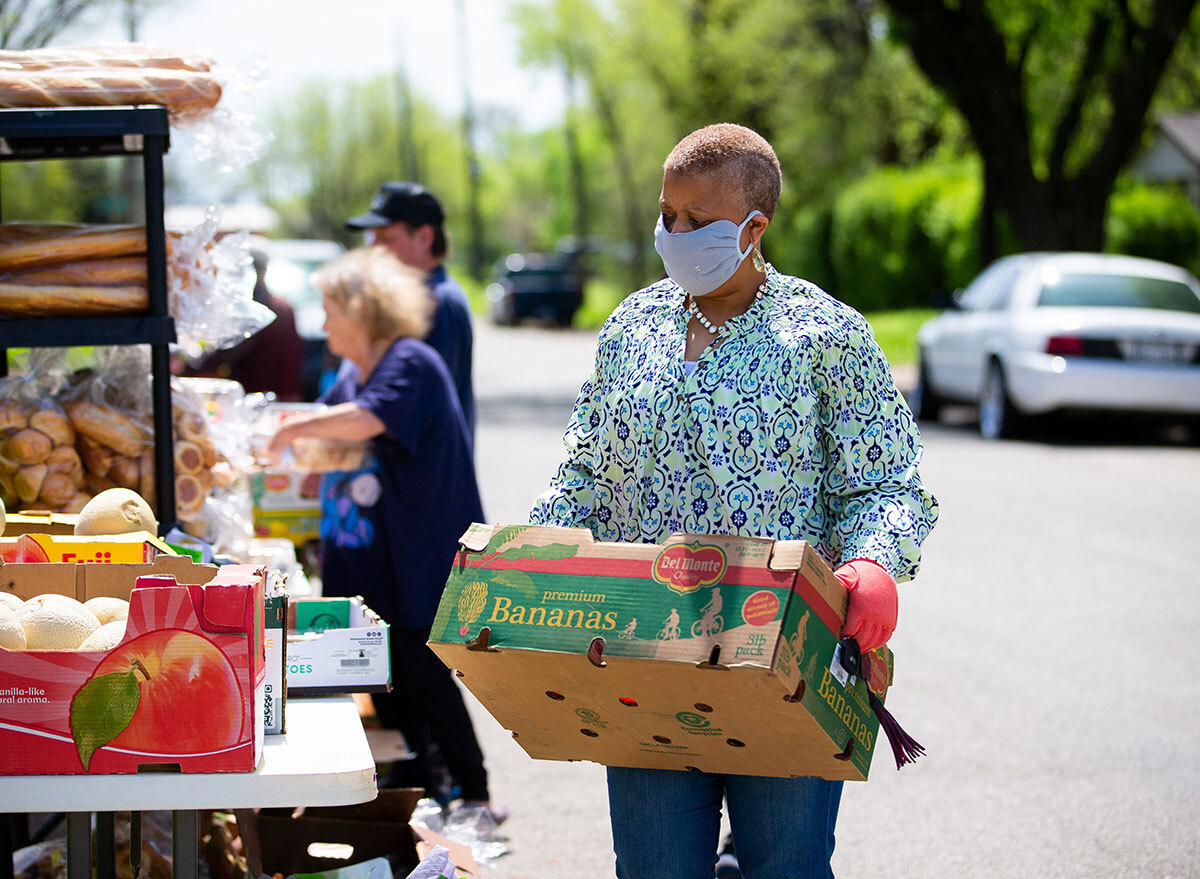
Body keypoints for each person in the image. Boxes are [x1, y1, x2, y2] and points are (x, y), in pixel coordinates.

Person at [529, 123, 939, 878]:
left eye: (697, 220)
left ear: (754, 227)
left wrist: (876, 560)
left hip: (781, 657)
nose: (674, 233)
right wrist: (535, 555)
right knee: (655, 868)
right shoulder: (631, 327)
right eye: (666, 215)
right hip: (645, 650)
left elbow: (885, 482)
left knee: (785, 866)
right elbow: (583, 470)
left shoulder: (825, 335)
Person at [267, 247, 499, 816]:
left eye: (328, 310)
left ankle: (473, 793)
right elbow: (330, 436)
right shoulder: (354, 372)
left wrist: (289, 431)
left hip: (415, 556)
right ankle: (418, 785)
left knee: (424, 672)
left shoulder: (410, 362)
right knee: (382, 673)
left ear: (361, 309)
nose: (322, 325)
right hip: (370, 561)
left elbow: (366, 419)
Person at [345, 181, 476, 440]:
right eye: (373, 238)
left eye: (387, 238)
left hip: (428, 476)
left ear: (424, 237)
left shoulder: (439, 301)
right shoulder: (414, 297)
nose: (375, 249)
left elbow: (413, 405)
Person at [182, 248, 305, 401]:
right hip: (283, 395)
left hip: (260, 398)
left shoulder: (258, 310)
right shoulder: (281, 305)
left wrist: (192, 366)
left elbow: (232, 349)